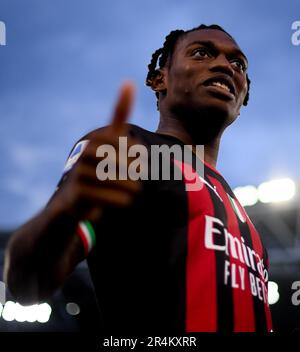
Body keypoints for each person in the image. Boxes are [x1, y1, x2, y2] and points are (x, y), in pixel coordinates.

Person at [3, 24, 272, 333]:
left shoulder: (244, 220)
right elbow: (25, 284)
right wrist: (67, 209)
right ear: (160, 79)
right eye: (201, 53)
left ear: (243, 96)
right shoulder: (132, 153)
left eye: (238, 64)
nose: (225, 65)